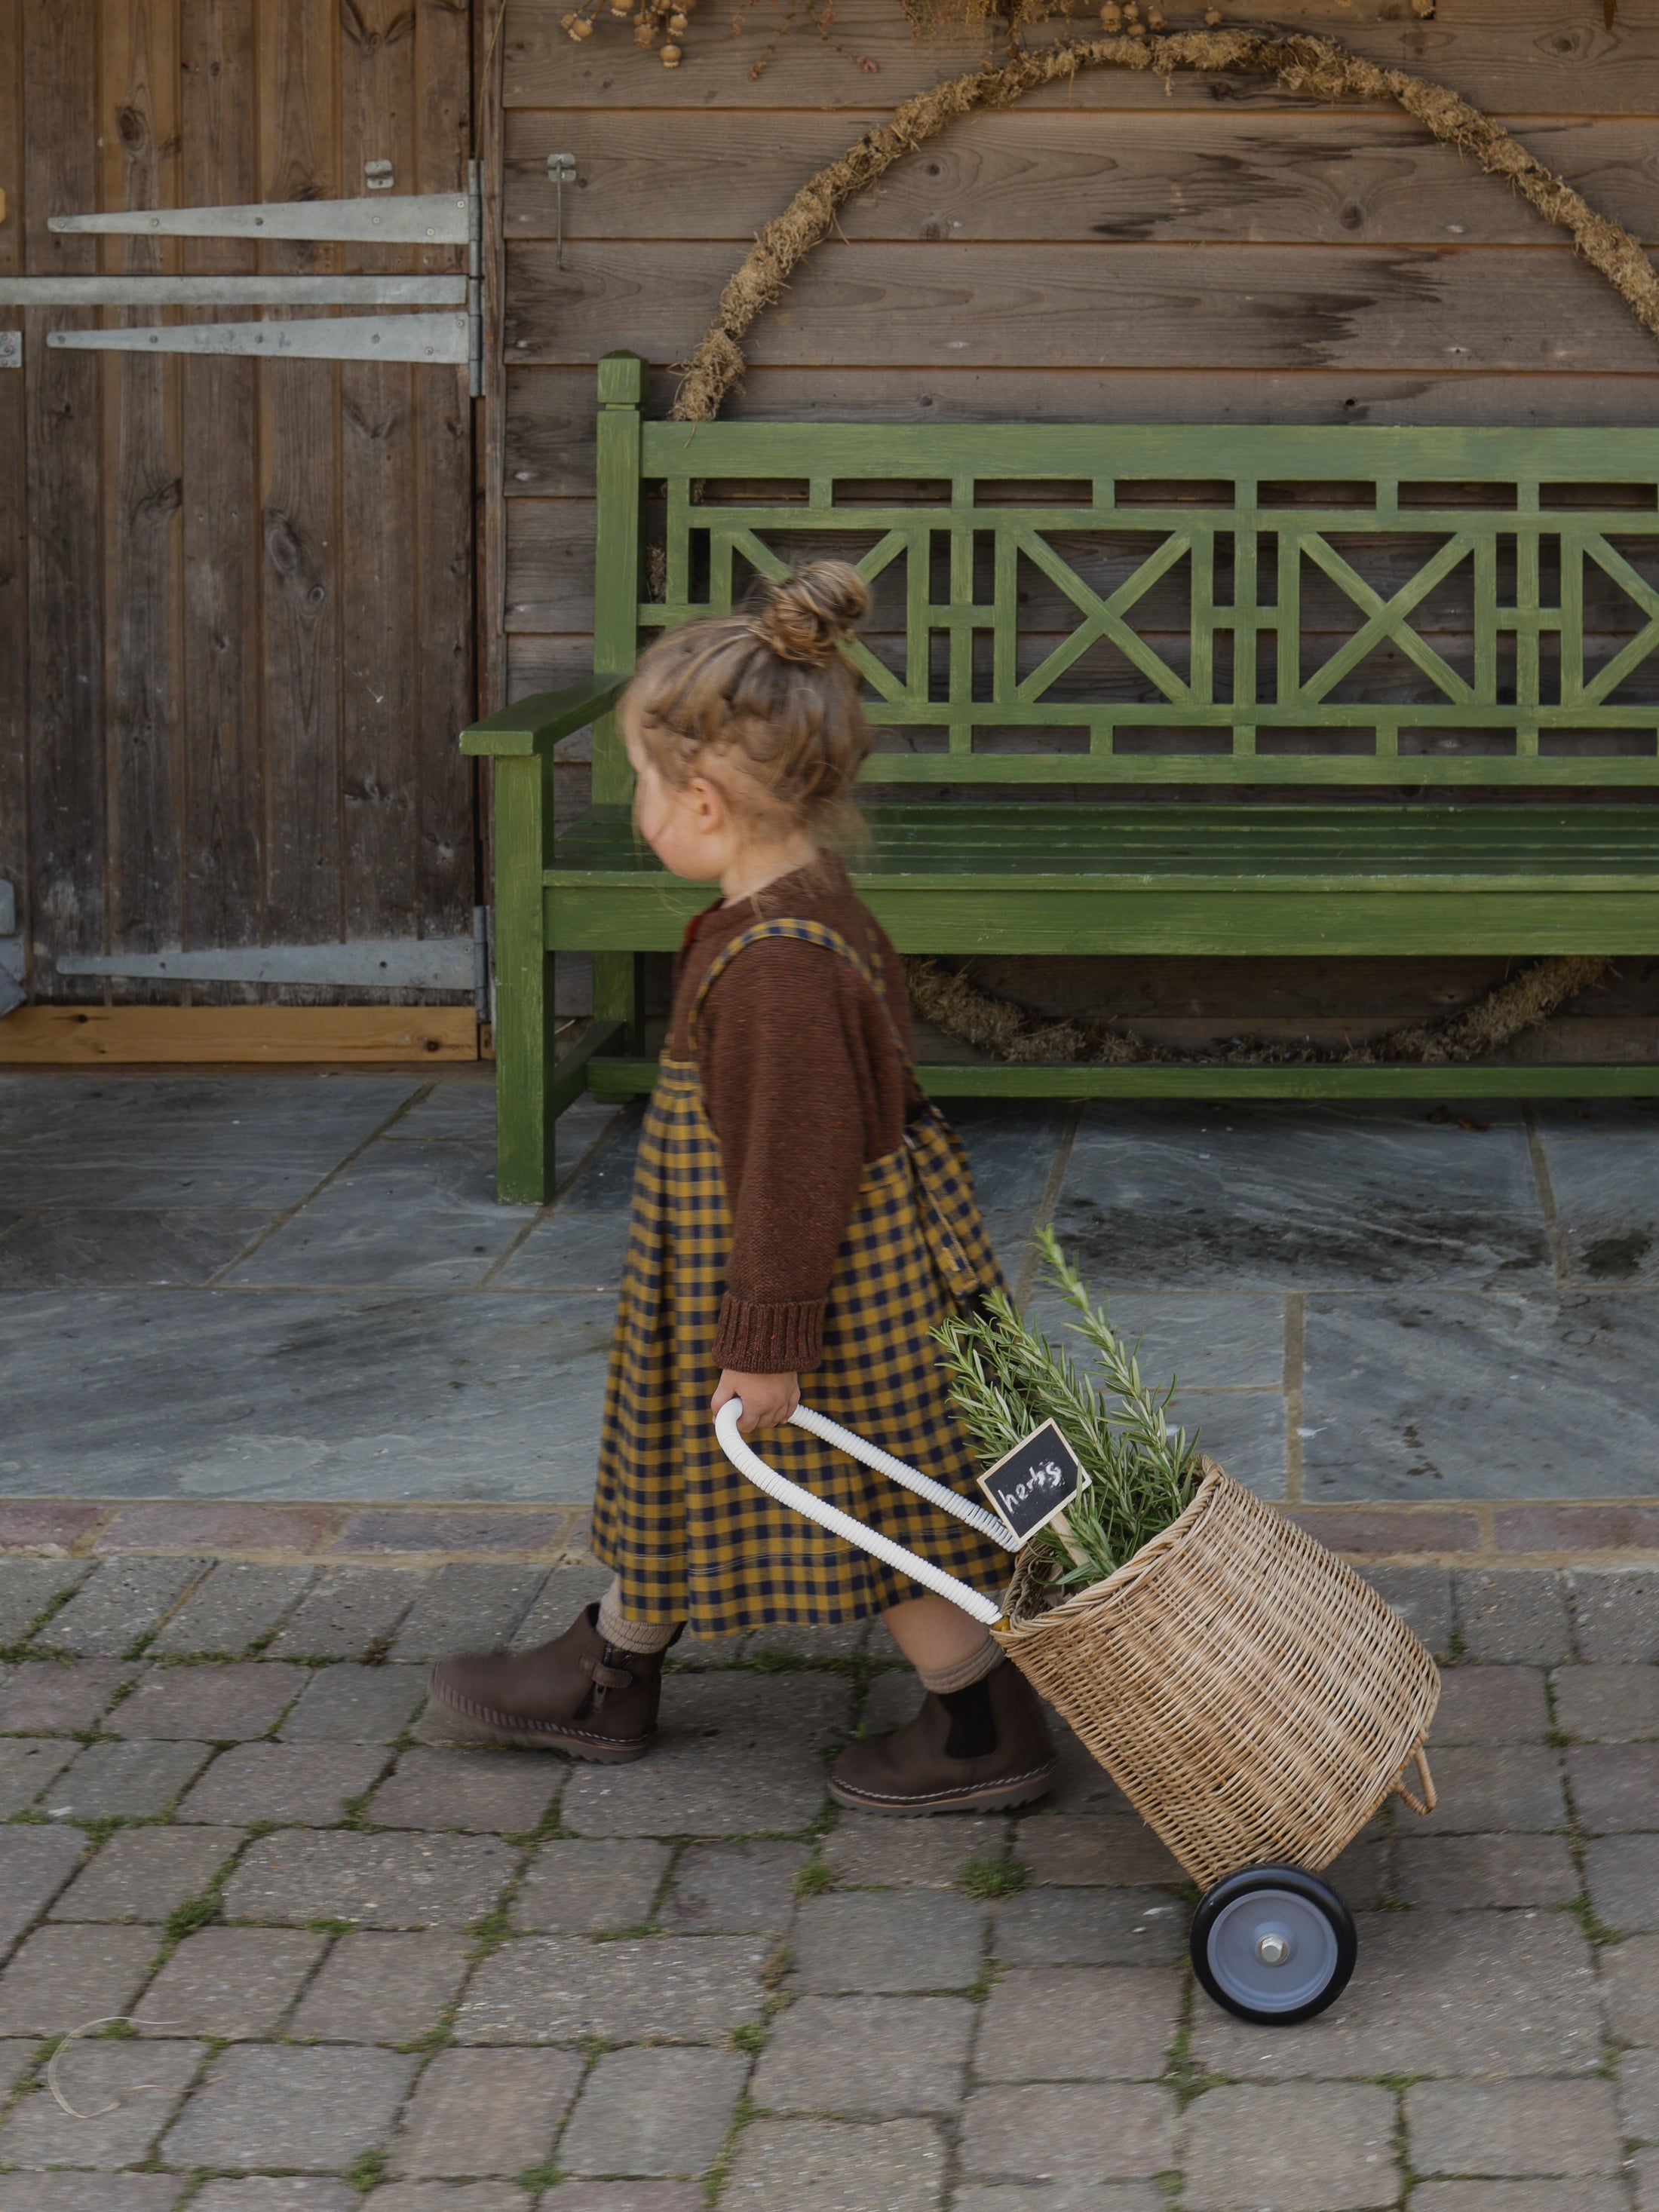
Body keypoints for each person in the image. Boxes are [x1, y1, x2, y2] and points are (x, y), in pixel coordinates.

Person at [430, 561, 1055, 1814]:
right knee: (684, 1458)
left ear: (705, 802)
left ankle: (983, 1720)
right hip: (763, 1272)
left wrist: (771, 1340)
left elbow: (795, 1163)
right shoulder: (785, 906)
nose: (638, 806)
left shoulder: (778, 963)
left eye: (644, 784)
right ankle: (616, 1666)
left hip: (812, 1287)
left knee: (876, 1491)